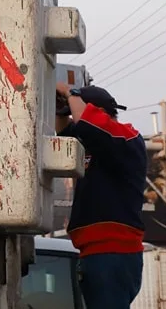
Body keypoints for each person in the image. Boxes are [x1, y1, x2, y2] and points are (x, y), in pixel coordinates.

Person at [55, 83, 147, 309]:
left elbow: (88, 124)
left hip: (113, 250)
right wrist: (61, 108)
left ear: (98, 112)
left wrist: (71, 92)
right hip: (98, 251)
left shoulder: (126, 138)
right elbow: (63, 133)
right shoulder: (95, 144)